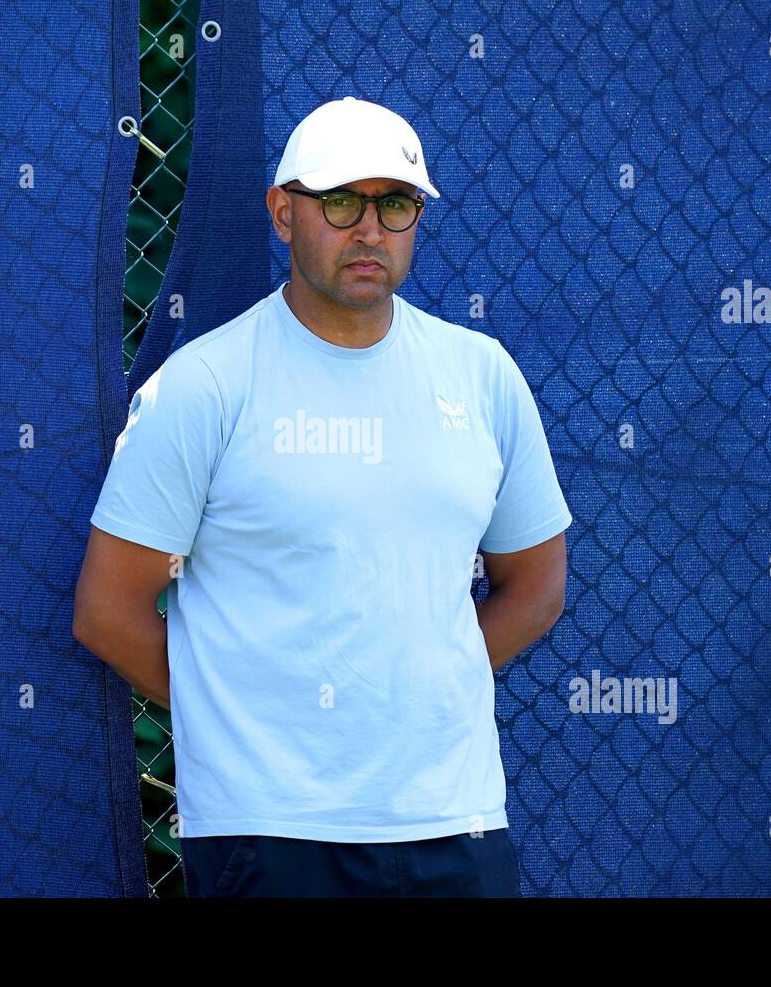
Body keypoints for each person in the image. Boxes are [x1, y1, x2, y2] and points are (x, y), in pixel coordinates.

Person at [72, 96, 572, 897]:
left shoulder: (482, 376)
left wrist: (416, 700)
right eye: (340, 202)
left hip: (456, 824)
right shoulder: (206, 386)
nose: (370, 229)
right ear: (283, 213)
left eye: (396, 204)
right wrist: (252, 721)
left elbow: (537, 584)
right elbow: (108, 611)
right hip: (270, 830)